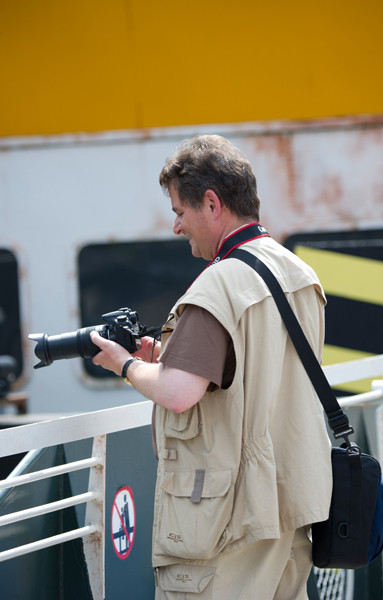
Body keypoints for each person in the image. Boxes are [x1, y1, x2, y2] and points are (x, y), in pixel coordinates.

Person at [90, 134, 332, 599]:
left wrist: (123, 364)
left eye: (181, 212)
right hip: (293, 504)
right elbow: (259, 370)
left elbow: (179, 394)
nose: (178, 227)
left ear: (212, 203)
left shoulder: (217, 287)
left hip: (229, 520)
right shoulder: (298, 273)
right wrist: (167, 358)